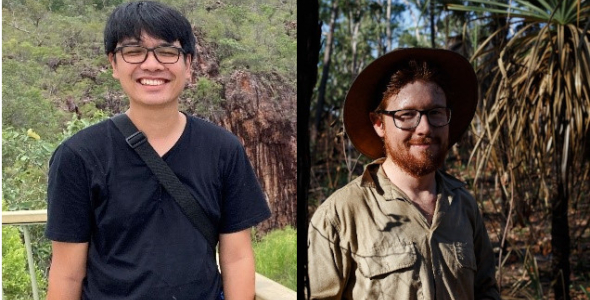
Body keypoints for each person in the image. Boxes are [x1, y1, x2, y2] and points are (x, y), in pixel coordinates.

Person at [45, 2, 271, 299]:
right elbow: (67, 273)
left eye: (167, 51)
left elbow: (237, 257)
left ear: (189, 64)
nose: (151, 65)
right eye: (134, 51)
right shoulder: (78, 157)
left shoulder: (223, 149)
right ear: (113, 63)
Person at [307, 48, 501, 300]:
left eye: (435, 113)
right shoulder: (341, 214)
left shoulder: (463, 206)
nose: (424, 128)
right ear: (379, 123)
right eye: (407, 115)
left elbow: (486, 291)